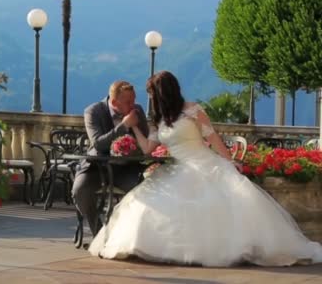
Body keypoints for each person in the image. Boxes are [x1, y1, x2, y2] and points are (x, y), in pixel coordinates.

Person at [88, 70, 322, 266]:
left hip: (204, 163)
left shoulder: (193, 110)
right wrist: (135, 128)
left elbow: (213, 138)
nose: (151, 100)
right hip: (177, 167)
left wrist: (230, 162)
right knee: (146, 202)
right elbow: (149, 148)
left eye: (153, 95)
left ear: (162, 94)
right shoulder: (160, 118)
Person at [73, 80, 149, 242]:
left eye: (134, 100)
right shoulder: (93, 111)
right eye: (128, 102)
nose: (133, 105)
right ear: (114, 102)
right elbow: (98, 143)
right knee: (80, 191)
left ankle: (130, 238)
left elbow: (144, 141)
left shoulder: (138, 111)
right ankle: (99, 236)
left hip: (126, 169)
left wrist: (134, 128)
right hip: (96, 167)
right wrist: (123, 125)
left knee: (143, 192)